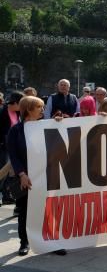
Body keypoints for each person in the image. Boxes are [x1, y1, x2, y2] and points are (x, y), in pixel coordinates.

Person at [7, 96, 65, 257]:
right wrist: (22, 174)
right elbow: (14, 155)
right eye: (39, 107)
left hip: (45, 176)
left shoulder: (45, 126)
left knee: (49, 211)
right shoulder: (16, 130)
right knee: (25, 212)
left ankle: (50, 242)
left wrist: (60, 124)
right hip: (25, 178)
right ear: (28, 110)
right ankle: (24, 243)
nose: (42, 109)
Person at [0, 91, 24, 206]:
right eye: (21, 104)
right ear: (14, 103)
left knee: (10, 174)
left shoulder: (18, 113)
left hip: (12, 147)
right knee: (2, 173)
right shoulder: (2, 112)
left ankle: (6, 196)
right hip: (3, 147)